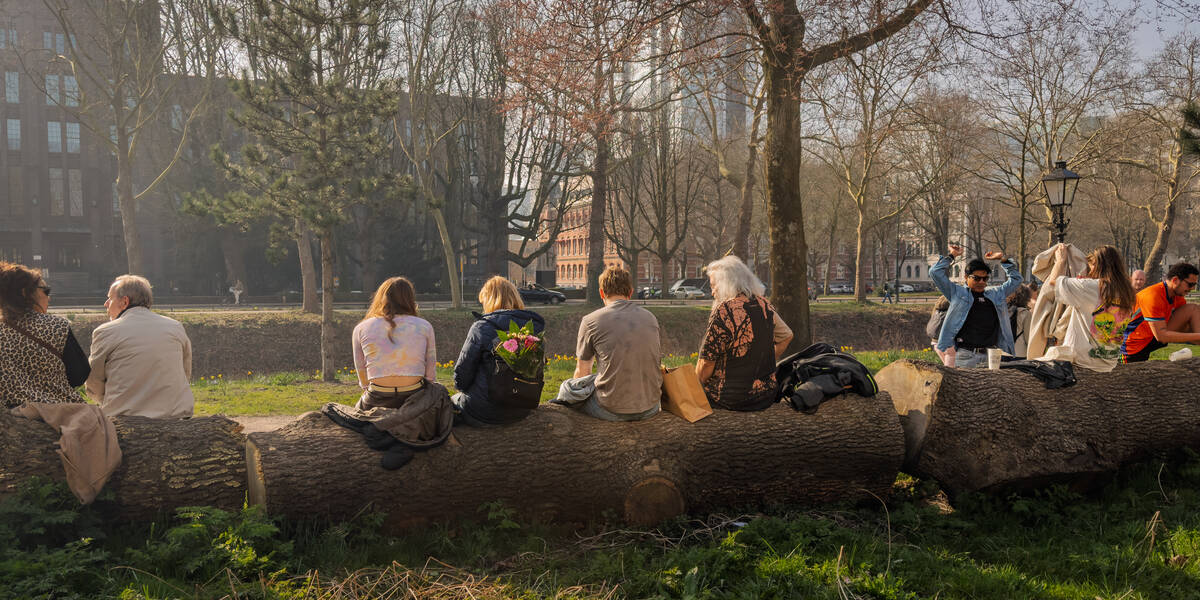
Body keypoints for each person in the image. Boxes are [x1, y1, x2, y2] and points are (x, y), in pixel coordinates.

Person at [560, 266, 662, 421]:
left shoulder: (590, 321)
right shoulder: (651, 318)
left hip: (611, 410)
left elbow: (583, 371)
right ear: (630, 292)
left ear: (601, 292)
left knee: (567, 388)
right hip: (651, 406)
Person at [86, 275, 194, 418]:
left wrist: (108, 401)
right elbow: (185, 373)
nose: (106, 303)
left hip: (126, 417)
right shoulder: (175, 327)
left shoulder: (106, 332)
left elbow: (93, 380)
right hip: (175, 415)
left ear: (125, 302)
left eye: (110, 298)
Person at [695, 256, 793, 410]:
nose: (712, 292)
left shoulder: (724, 311)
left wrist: (694, 389)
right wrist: (762, 363)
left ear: (727, 283)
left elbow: (706, 364)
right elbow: (786, 336)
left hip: (730, 398)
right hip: (765, 396)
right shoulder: (764, 304)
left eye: (714, 286)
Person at [452, 276, 545, 426]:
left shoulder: (482, 327)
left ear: (489, 301)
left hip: (484, 411)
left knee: (454, 401)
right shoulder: (533, 328)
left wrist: (462, 389)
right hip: (522, 407)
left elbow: (462, 375)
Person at [0, 263, 89, 408]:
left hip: (13, 415)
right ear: (25, 293)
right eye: (46, 291)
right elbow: (80, 374)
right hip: (60, 414)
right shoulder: (57, 326)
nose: (49, 298)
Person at [1036, 244, 1135, 372]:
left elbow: (1054, 282)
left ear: (1099, 265)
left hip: (1084, 361)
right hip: (1108, 362)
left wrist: (1060, 261)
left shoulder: (1092, 287)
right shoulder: (1127, 292)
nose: (1090, 269)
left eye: (1092, 264)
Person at [929, 245, 1023, 368]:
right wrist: (952, 255)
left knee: (991, 388)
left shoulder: (995, 295)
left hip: (992, 355)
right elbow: (935, 272)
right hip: (966, 355)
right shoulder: (957, 293)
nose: (981, 282)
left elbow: (1016, 279)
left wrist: (1003, 259)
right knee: (965, 387)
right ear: (966, 277)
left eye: (985, 279)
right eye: (977, 278)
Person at [352, 276, 437, 409]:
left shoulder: (361, 328)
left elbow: (362, 372)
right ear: (410, 298)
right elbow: (430, 375)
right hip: (414, 395)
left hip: (377, 396)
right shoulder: (424, 326)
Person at [1121, 262, 1200, 362]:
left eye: (1194, 285)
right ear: (1175, 280)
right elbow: (1161, 336)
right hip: (1131, 349)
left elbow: (1186, 327)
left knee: (1193, 309)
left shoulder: (1178, 297)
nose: (1192, 288)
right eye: (1190, 284)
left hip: (1150, 339)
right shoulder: (1153, 296)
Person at [1007, 283, 1038, 359]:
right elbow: (1028, 336)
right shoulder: (1025, 313)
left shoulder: (1004, 311)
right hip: (1019, 352)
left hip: (1004, 351)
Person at [926, 296, 955, 367]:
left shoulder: (936, 311)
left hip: (935, 343)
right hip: (948, 346)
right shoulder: (951, 312)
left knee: (947, 367)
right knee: (950, 371)